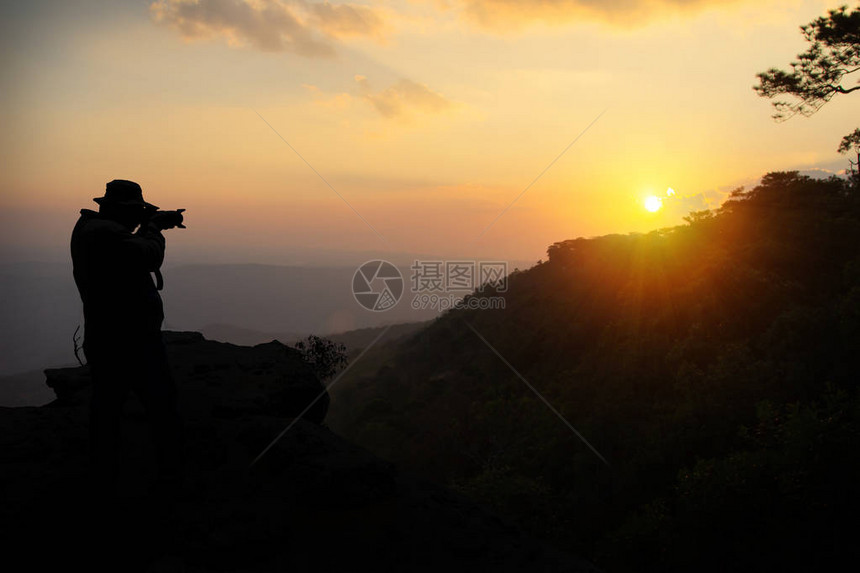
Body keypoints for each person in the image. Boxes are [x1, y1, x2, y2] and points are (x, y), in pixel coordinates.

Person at [70, 179, 185, 503]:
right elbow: (147, 256)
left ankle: (105, 476)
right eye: (135, 213)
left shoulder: (94, 229)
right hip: (127, 340)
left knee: (108, 407)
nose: (137, 220)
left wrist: (148, 226)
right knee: (158, 405)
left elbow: (127, 253)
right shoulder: (102, 233)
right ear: (121, 210)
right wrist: (154, 229)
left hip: (111, 335)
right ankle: (162, 479)